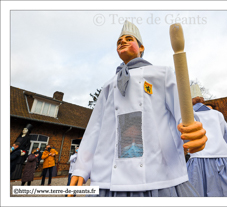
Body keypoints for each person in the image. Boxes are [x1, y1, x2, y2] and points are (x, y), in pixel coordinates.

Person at [69, 20, 207, 197]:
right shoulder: (109, 86)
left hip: (158, 172)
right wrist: (82, 167)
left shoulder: (161, 74)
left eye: (129, 39)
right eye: (119, 41)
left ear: (141, 48)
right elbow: (95, 127)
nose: (123, 42)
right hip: (109, 177)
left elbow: (181, 109)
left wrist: (192, 127)